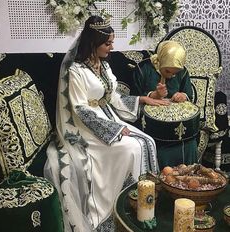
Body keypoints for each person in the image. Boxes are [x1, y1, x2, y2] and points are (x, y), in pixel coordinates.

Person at [44, 15, 169, 232]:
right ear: (93, 44)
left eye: (112, 42)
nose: (112, 47)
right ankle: (118, 210)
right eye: (107, 43)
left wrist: (143, 99)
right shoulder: (75, 71)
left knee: (147, 142)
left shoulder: (104, 66)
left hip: (110, 118)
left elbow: (115, 98)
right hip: (87, 130)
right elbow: (80, 110)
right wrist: (116, 130)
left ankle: (143, 206)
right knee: (132, 148)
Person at [131, 40, 198, 170]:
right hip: (151, 125)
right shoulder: (143, 69)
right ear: (160, 61)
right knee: (158, 145)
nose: (172, 76)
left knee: (190, 144)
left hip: (177, 123)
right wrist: (153, 95)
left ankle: (186, 182)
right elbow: (133, 98)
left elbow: (189, 95)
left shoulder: (182, 72)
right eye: (168, 71)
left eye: (175, 73)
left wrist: (183, 95)